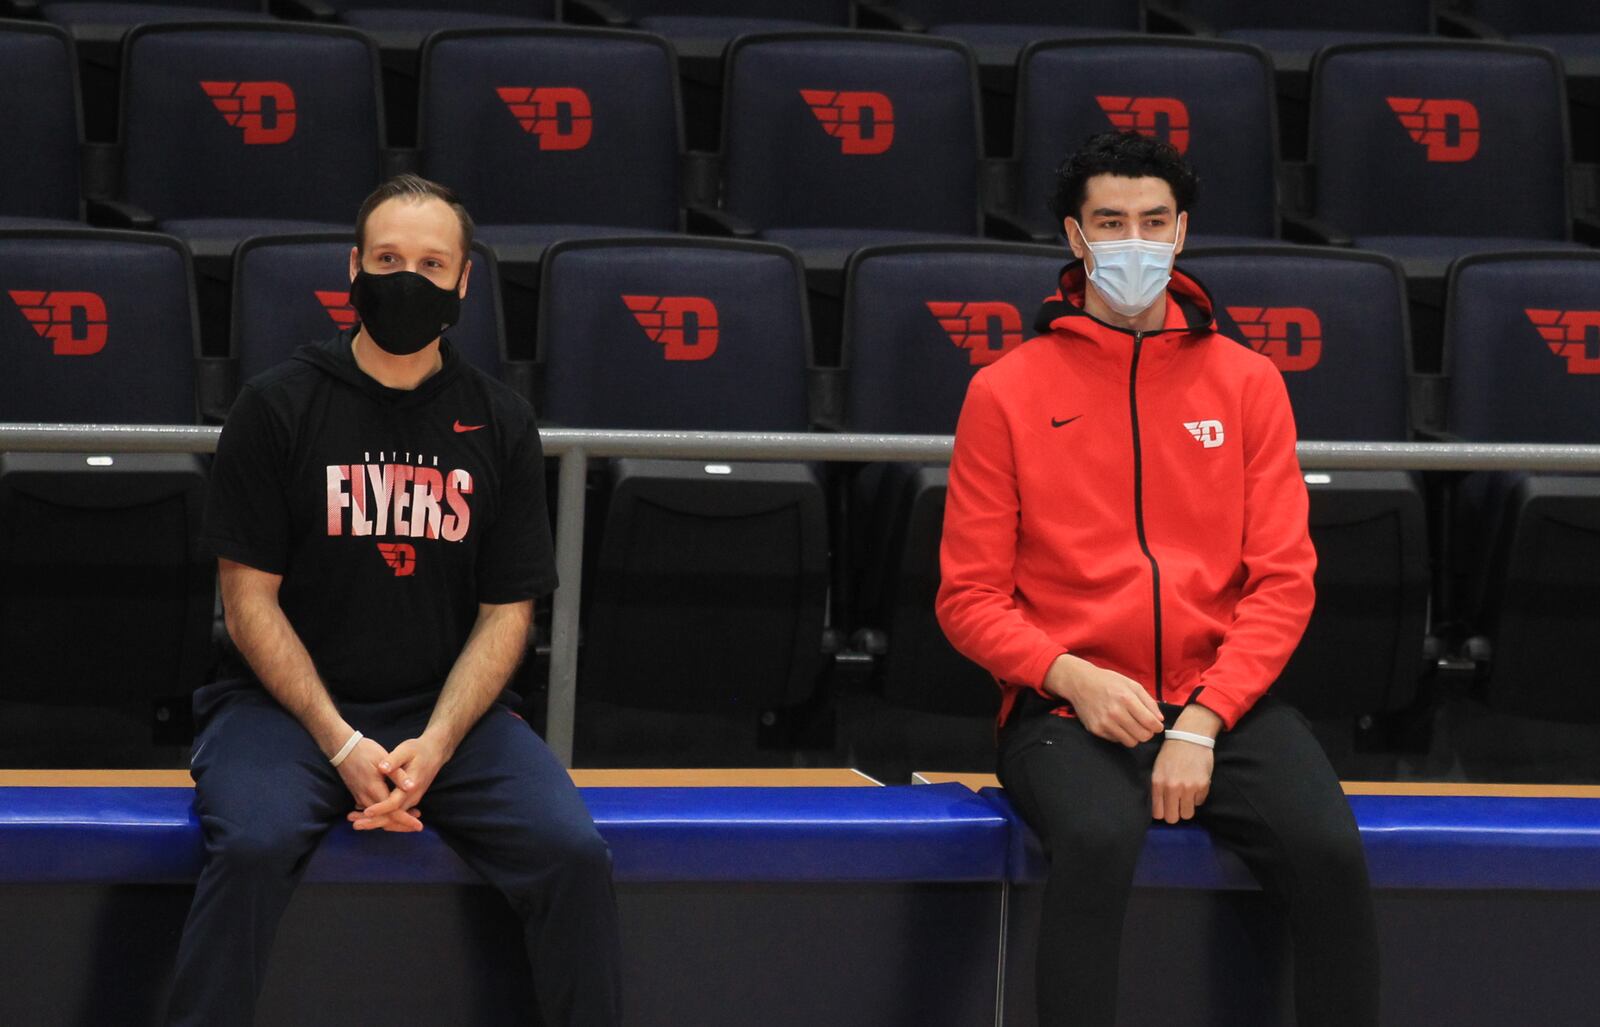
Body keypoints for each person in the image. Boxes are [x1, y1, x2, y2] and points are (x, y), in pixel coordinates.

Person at [935, 132, 1379, 1026]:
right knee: (1098, 839)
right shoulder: (1005, 389)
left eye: (1153, 221)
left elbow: (1285, 578)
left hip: (1224, 702)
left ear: (1180, 234)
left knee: (1329, 850)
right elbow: (968, 597)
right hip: (1068, 707)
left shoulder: (1248, 382)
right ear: (1075, 235)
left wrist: (1206, 720)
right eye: (1111, 222)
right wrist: (1071, 677)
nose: (1133, 240)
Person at [166, 174, 621, 1026]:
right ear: (353, 268)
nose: (406, 279)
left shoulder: (502, 421)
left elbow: (507, 611)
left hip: (449, 715)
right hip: (284, 714)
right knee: (254, 847)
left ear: (462, 283)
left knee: (574, 853)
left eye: (429, 262)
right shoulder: (275, 407)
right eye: (387, 259)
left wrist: (438, 742)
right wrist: (341, 742)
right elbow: (248, 600)